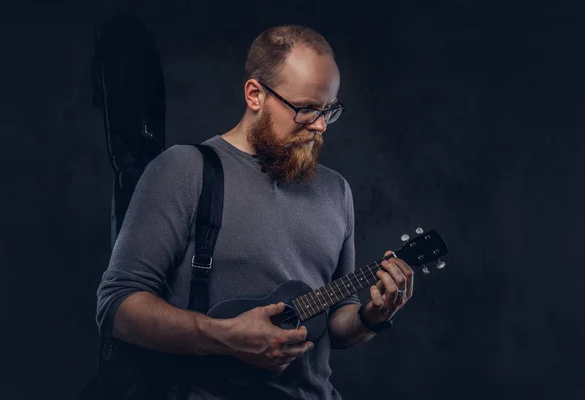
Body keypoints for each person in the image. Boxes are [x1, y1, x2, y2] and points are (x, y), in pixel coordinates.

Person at [95, 24, 414, 400]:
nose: (320, 126)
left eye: (330, 110)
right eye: (306, 109)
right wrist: (226, 337)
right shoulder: (183, 170)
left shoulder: (335, 191)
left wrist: (371, 317)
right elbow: (117, 307)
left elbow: (336, 320)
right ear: (255, 95)